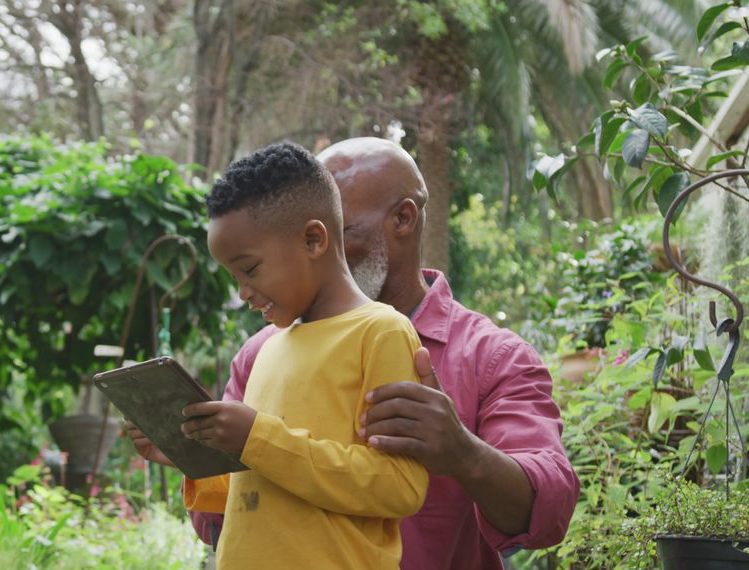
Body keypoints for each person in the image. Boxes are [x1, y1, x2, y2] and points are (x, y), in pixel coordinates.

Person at [130, 137, 579, 569]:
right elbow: (241, 515)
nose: (331, 252)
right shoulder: (260, 353)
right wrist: (194, 454)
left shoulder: (490, 356)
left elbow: (550, 512)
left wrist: (463, 451)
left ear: (403, 219)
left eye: (343, 230)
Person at [176, 141, 429, 568]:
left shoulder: (380, 332)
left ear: (313, 240)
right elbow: (265, 484)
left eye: (250, 269)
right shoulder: (268, 349)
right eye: (233, 276)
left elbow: (400, 486)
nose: (242, 292)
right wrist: (188, 450)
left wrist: (256, 437)